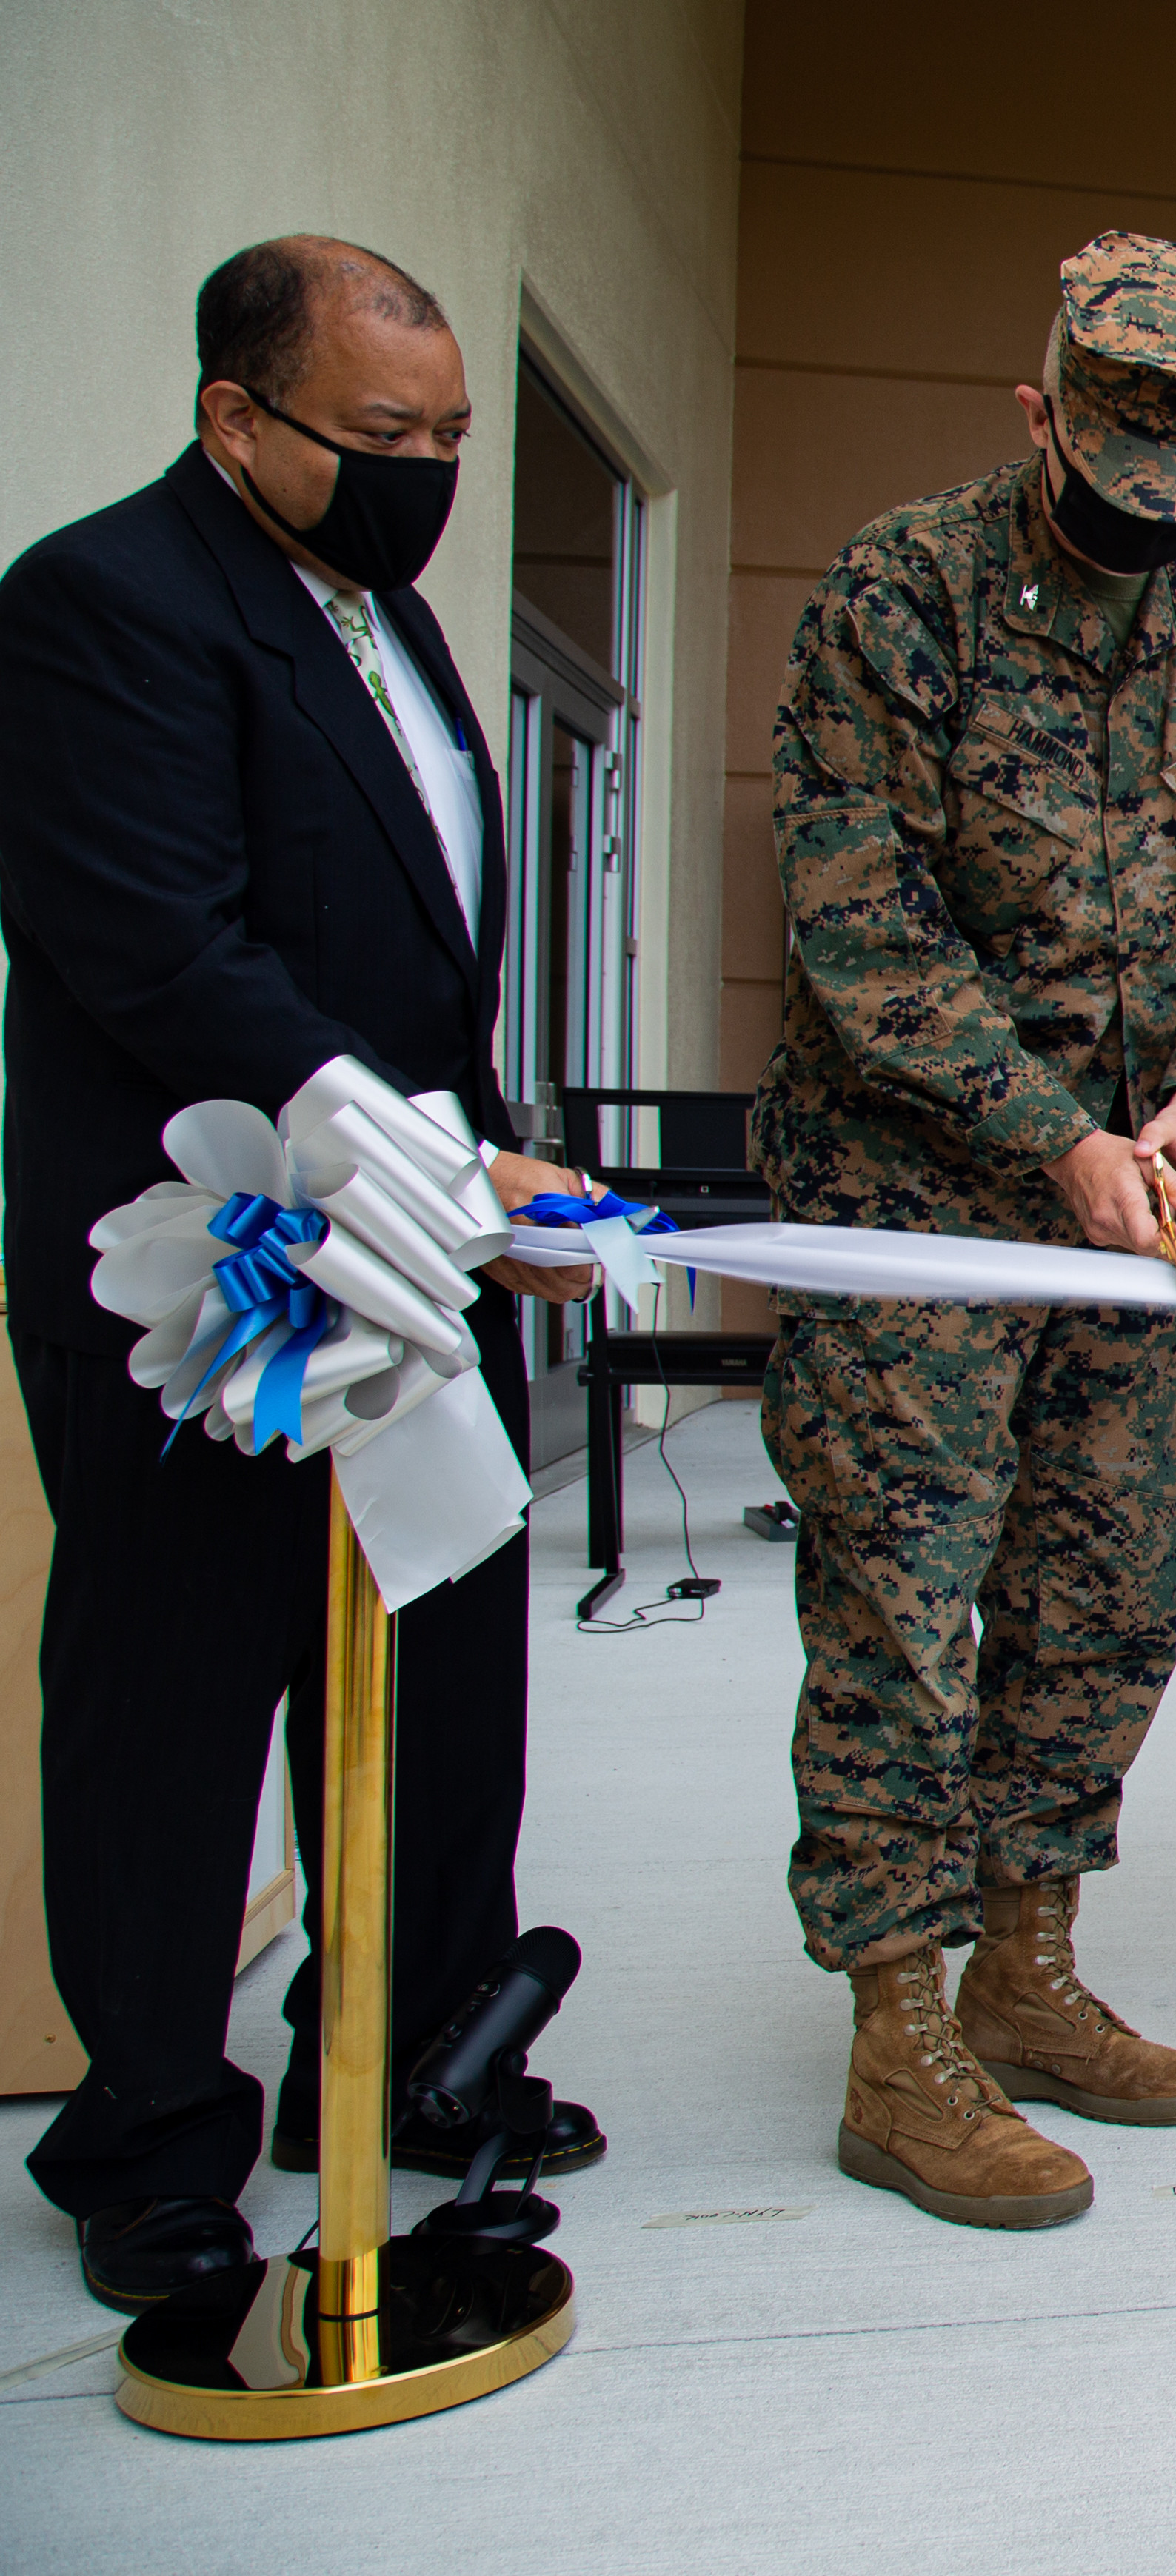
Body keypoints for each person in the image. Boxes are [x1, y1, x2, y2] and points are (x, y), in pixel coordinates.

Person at [0, 235, 604, 2314]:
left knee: (436, 1668)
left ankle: (416, 2048)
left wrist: (494, 1178)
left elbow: (425, 955)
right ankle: (150, 2133)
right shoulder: (104, 606)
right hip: (216, 1268)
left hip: (423, 1258)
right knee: (177, 1698)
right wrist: (443, 1160)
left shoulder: (393, 624)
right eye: (381, 433)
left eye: (451, 434)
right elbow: (165, 949)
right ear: (233, 417)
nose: (425, 471)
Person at [759, 231, 1176, 2229]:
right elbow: (861, 927)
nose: (1151, 532)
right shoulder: (898, 592)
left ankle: (1026, 1969)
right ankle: (895, 2042)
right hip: (915, 1193)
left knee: (1098, 1595)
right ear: (1043, 419)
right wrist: (1050, 1133)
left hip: (1122, 1212)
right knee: (903, 1608)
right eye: (1120, 489)